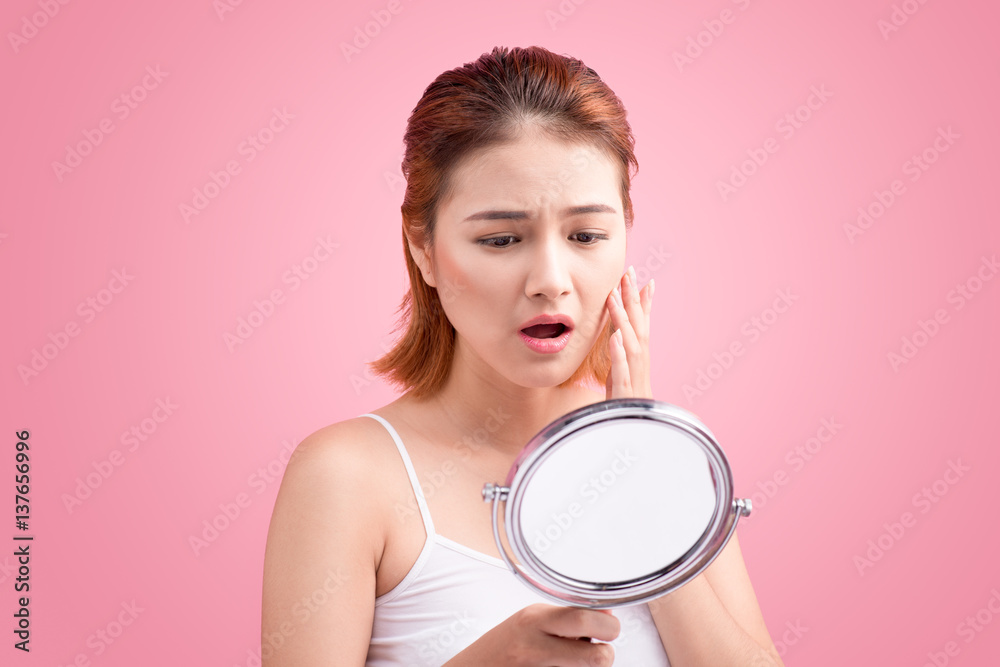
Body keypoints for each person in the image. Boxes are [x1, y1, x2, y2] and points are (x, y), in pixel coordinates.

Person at [262, 45, 783, 666]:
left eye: (586, 235)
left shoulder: (674, 463)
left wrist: (642, 467)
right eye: (501, 239)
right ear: (423, 248)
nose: (550, 280)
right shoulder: (347, 476)